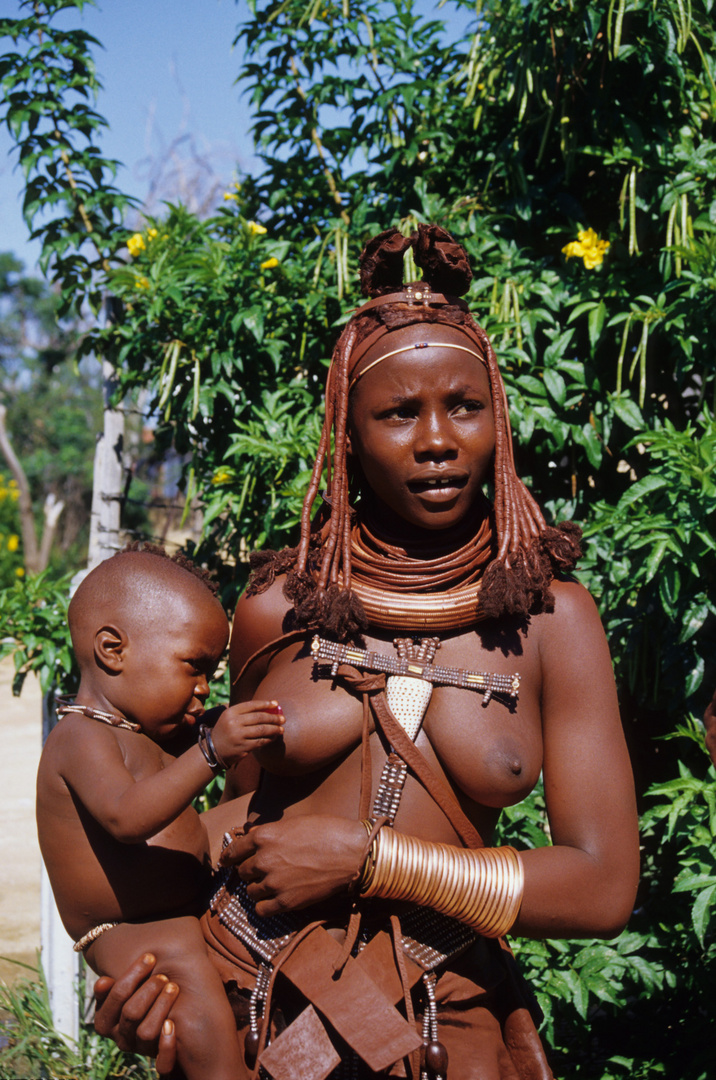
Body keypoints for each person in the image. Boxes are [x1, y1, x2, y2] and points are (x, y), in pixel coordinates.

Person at [94, 225, 640, 1080]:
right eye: (397, 413)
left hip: (447, 1032)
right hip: (259, 1024)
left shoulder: (551, 620)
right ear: (347, 432)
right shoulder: (280, 606)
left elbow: (603, 889)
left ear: (496, 416)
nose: (436, 439)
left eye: (464, 406)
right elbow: (215, 838)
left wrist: (374, 861)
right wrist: (150, 977)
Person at [36, 545, 285, 1080]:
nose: (203, 689)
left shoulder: (144, 731)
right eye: (194, 667)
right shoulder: (79, 739)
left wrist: (220, 728)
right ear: (112, 650)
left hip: (176, 908)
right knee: (191, 994)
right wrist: (211, 750)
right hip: (130, 930)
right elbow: (127, 818)